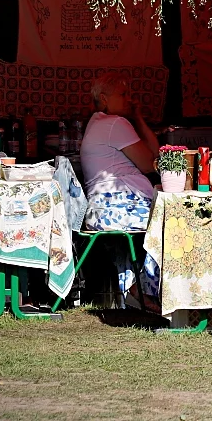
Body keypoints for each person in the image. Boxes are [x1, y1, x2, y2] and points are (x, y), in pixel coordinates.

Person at [79, 72, 161, 310]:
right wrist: (136, 120)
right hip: (115, 206)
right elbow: (150, 163)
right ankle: (148, 289)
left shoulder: (99, 122)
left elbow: (155, 155)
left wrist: (138, 117)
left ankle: (140, 290)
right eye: (123, 95)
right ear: (103, 98)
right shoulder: (114, 123)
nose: (129, 99)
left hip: (103, 209)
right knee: (170, 220)